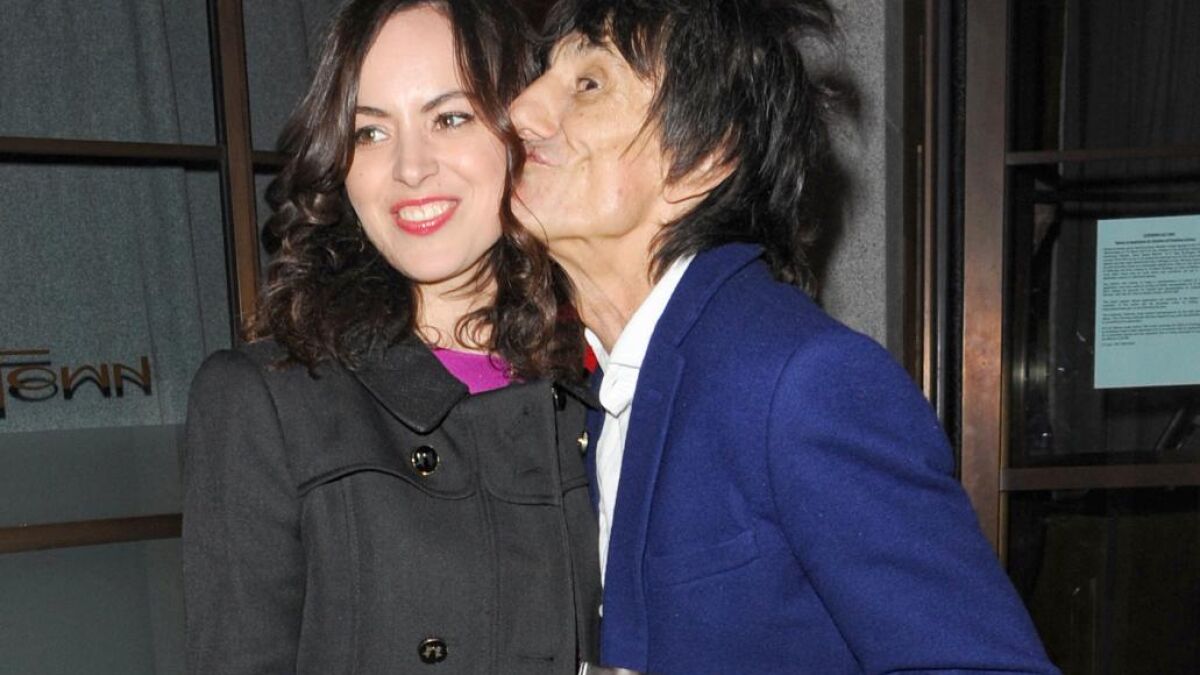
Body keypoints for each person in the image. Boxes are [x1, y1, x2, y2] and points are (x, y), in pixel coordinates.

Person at [510, 0, 1061, 673]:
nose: (522, 110)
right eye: (540, 78)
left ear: (703, 159)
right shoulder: (592, 399)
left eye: (589, 84)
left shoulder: (803, 381)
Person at [182, 1, 600, 672]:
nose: (410, 167)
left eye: (450, 118)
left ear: (523, 132)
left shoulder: (603, 389)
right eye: (371, 132)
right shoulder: (268, 403)